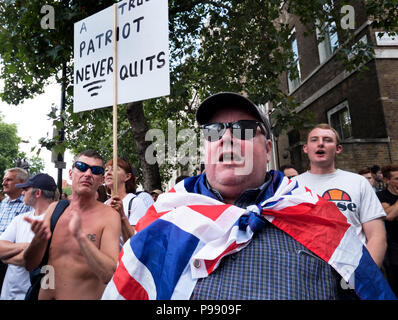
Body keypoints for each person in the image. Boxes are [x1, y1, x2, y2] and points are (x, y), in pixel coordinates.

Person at [102, 92, 394, 300]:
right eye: (214, 131)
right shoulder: (167, 218)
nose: (227, 138)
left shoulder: (315, 214)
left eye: (242, 129)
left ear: (267, 149)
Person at [23, 150, 121, 300]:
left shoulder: (110, 216)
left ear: (101, 180)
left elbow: (109, 274)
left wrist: (80, 237)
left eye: (96, 170)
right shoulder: (54, 209)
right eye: (81, 166)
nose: (88, 173)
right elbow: (29, 264)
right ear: (70, 173)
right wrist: (38, 240)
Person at [294, 124, 387, 267]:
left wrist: (367, 277)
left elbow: (377, 236)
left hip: (352, 271)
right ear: (305, 148)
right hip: (306, 274)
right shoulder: (291, 186)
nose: (320, 143)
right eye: (314, 140)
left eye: (327, 140)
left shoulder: (358, 182)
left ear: (338, 149)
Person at [0, 173, 57, 299]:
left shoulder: (56, 221)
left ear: (38, 193)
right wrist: (28, 246)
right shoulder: (19, 219)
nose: (22, 193)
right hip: (8, 293)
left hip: (33, 294)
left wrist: (6, 258)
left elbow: (31, 261)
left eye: (25, 189)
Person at [0, 168, 32, 290]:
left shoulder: (28, 206)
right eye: (4, 180)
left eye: (8, 180)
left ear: (21, 182)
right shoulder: (3, 204)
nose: (3, 183)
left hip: (11, 261)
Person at [104, 158, 148, 244]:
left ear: (127, 176)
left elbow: (136, 242)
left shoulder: (136, 202)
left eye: (114, 169)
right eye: (106, 170)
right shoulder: (104, 205)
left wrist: (122, 216)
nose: (108, 173)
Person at [377, 164, 398, 295]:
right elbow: (389, 216)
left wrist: (392, 208)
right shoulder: (381, 196)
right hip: (394, 247)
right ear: (386, 180)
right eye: (397, 178)